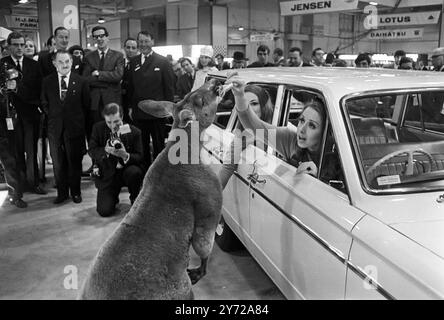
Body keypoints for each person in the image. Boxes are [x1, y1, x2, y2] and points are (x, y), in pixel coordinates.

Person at [226, 73, 327, 176]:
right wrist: (239, 96)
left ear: (325, 132)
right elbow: (254, 126)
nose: (301, 129)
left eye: (312, 126)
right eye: (301, 120)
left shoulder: (338, 156)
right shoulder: (291, 139)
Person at [41, 50, 90, 204]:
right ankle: (62, 193)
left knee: (74, 162)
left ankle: (75, 192)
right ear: (54, 63)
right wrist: (55, 116)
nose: (64, 65)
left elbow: (86, 106)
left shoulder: (81, 81)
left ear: (72, 62)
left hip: (74, 129)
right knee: (58, 163)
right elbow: (44, 103)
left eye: (67, 62)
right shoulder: (47, 81)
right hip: (55, 129)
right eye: (61, 62)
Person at [1, 32, 46, 195]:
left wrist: (18, 88)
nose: (20, 48)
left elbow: (38, 90)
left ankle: (33, 183)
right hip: (9, 116)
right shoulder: (2, 64)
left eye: (22, 44)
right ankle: (18, 187)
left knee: (31, 150)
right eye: (16, 45)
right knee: (15, 152)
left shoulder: (33, 64)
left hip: (30, 114)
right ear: (8, 46)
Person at [127, 31, 175, 168]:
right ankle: (144, 175)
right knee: (141, 146)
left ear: (152, 42)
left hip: (157, 112)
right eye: (141, 41)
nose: (143, 44)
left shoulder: (163, 61)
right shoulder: (134, 61)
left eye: (146, 41)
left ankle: (159, 174)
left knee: (159, 146)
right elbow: (130, 87)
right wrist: (130, 107)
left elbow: (169, 88)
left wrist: (168, 109)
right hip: (139, 112)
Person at [88, 103, 144, 217]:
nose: (113, 126)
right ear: (104, 119)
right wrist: (106, 151)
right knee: (104, 211)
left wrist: (125, 155)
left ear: (122, 117)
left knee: (135, 172)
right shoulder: (98, 128)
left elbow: (140, 156)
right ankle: (113, 197)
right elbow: (92, 150)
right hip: (108, 174)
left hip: (127, 171)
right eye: (109, 122)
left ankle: (135, 197)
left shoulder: (134, 132)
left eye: (116, 121)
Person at [218, 84, 273, 188]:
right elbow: (227, 168)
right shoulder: (241, 135)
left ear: (264, 106)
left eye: (254, 103)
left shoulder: (282, 127)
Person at [83, 26, 124, 142]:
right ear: (94, 39)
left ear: (107, 37)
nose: (99, 39)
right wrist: (107, 80)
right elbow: (86, 80)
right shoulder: (88, 57)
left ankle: (116, 157)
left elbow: (118, 76)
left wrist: (98, 74)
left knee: (114, 133)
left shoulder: (118, 56)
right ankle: (97, 159)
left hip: (112, 100)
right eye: (96, 37)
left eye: (102, 36)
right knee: (96, 134)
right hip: (94, 102)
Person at [0, 67, 27, 208]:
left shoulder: (5, 71)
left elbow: (20, 87)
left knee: (10, 162)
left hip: (6, 127)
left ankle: (15, 194)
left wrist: (13, 87)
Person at [121, 37, 138, 123]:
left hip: (135, 103)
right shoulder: (119, 63)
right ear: (124, 48)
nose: (130, 50)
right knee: (123, 130)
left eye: (133, 48)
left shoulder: (141, 65)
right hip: (121, 102)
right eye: (128, 47)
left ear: (137, 49)